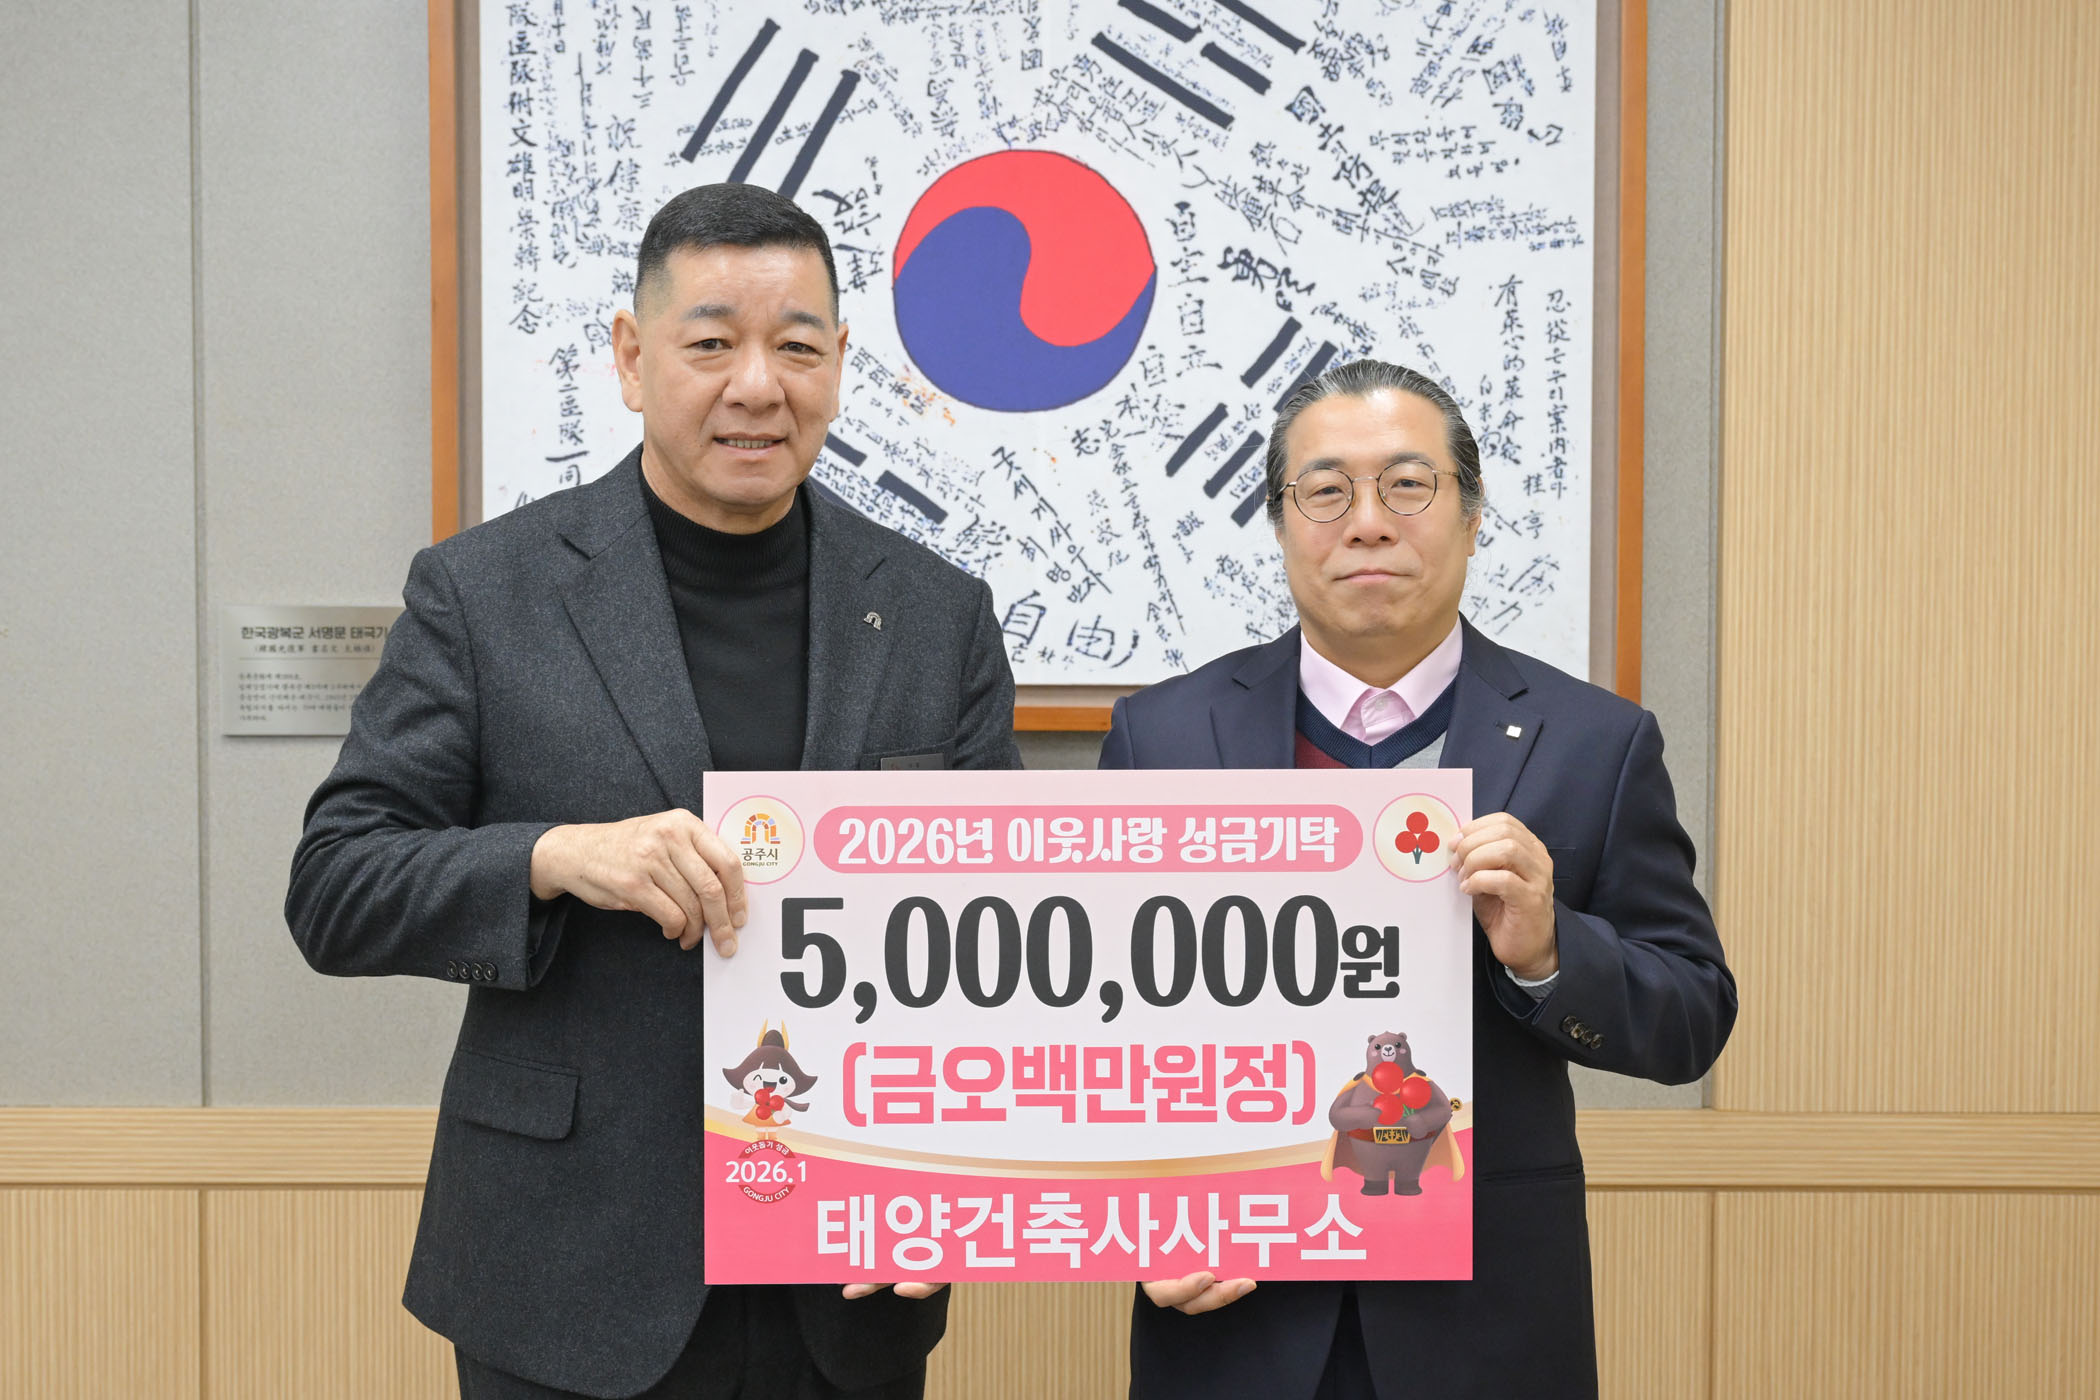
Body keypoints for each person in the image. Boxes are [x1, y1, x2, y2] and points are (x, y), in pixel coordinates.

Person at [286, 183, 1019, 1400]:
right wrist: (553, 857)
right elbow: (336, 883)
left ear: (840, 364)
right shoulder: (486, 592)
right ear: (632, 358)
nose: (757, 385)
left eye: (797, 348)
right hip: (565, 1269)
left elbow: (1000, 935)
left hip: (847, 1277)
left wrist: (950, 1184)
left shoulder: (938, 615)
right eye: (712, 342)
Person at [1100, 360, 1735, 1399]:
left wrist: (1549, 951)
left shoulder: (1597, 741)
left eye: (1407, 485)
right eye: (1325, 490)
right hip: (1235, 1315)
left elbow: (1692, 1016)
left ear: (1472, 517)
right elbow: (1098, 1025)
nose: (1367, 524)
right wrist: (1139, 1220)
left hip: (1486, 1324)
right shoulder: (1164, 736)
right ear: (1280, 523)